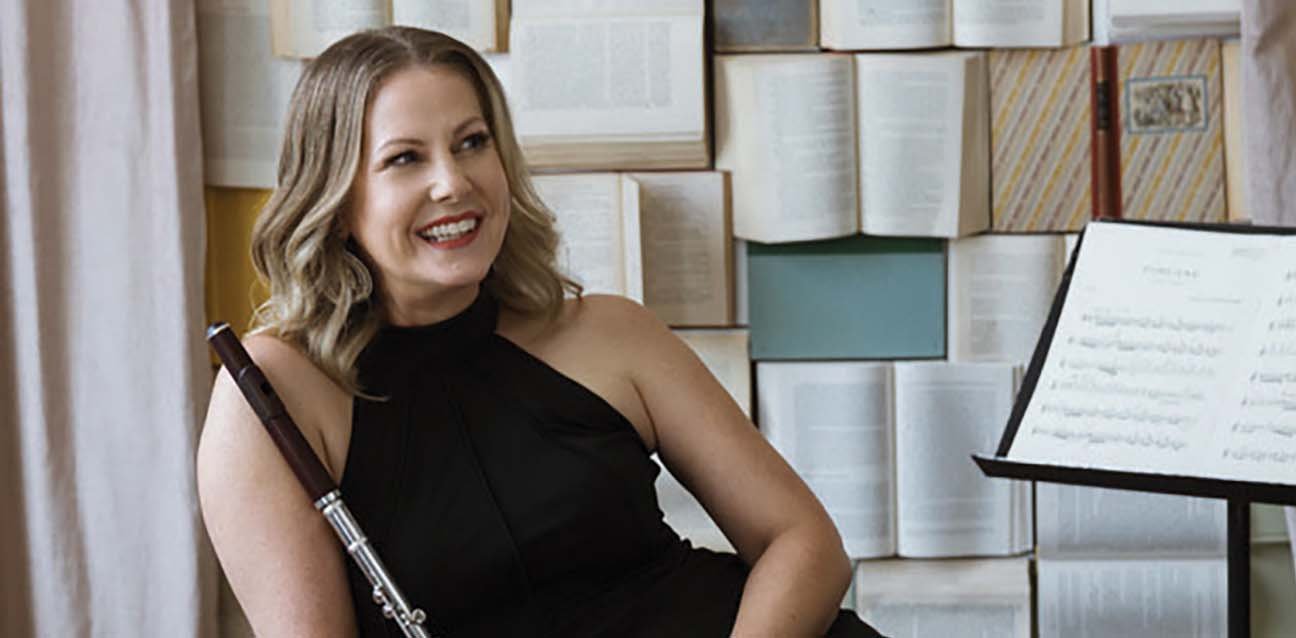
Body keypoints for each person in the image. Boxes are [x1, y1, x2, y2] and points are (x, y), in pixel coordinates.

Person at [197, 26, 882, 637]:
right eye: (405, 158)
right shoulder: (272, 394)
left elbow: (803, 541)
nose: (453, 182)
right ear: (337, 199)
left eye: (472, 143)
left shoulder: (611, 331)